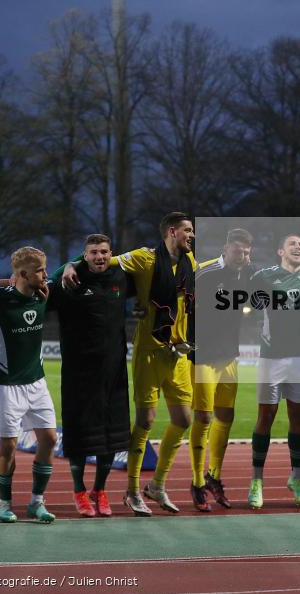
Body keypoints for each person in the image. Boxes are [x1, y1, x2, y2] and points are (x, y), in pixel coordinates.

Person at [63, 212, 195, 516]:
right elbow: (98, 260)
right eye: (188, 231)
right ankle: (133, 489)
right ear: (172, 232)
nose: (192, 236)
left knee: (183, 420)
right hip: (149, 351)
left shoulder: (191, 264)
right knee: (146, 420)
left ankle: (157, 485)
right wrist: (69, 264)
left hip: (179, 355)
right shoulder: (144, 258)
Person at [47, 234, 134, 517]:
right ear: (83, 255)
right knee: (80, 434)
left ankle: (100, 490)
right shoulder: (70, 280)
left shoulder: (120, 277)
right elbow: (37, 291)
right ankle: (79, 490)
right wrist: (67, 266)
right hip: (79, 373)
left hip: (114, 371)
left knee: (111, 434)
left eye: (104, 252)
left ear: (111, 253)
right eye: (94, 252)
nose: (100, 257)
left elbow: (150, 285)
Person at [244, 234, 300, 509]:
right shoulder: (264, 276)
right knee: (265, 416)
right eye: (292, 244)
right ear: (280, 250)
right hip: (272, 358)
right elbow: (246, 299)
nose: (298, 247)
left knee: (297, 419)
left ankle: (296, 477)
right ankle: (256, 480)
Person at [0, 247, 57, 524]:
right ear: (24, 273)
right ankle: (4, 504)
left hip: (36, 382)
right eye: (40, 270)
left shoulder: (43, 293)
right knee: (8, 446)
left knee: (50, 439)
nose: (45, 274)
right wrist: (0, 282)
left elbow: (65, 274)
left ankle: (37, 502)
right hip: (6, 384)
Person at [191, 229, 253, 511]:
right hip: (203, 357)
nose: (243, 256)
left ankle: (213, 475)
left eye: (247, 252)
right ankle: (196, 482)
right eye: (239, 251)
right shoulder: (204, 273)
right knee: (203, 417)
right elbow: (184, 306)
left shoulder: (247, 275)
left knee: (225, 415)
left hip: (229, 357)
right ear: (226, 248)